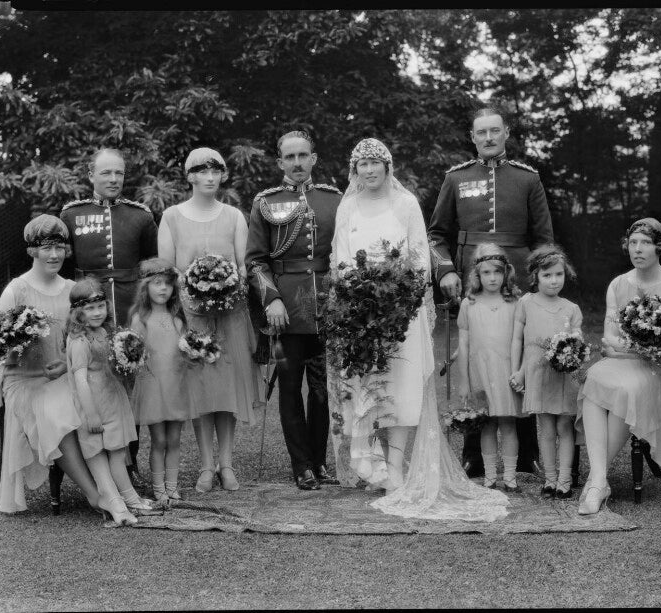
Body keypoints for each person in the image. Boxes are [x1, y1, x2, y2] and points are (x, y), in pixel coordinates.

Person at [329, 137, 509, 521]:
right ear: (354, 170)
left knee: (402, 388)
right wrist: (358, 299)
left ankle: (394, 467)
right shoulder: (347, 207)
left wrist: (396, 298)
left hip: (400, 312)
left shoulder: (406, 204)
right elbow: (341, 257)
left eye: (377, 163)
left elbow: (418, 258)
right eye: (363, 164)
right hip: (361, 313)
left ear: (388, 166)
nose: (370, 170)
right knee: (364, 384)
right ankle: (366, 459)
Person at [428, 105, 553, 478]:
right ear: (472, 137)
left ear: (506, 133)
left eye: (494, 131)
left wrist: (538, 286)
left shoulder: (527, 179)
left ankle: (528, 450)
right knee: (478, 359)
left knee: (520, 358)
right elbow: (436, 236)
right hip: (473, 282)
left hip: (516, 287)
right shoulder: (456, 178)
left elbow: (544, 241)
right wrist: (447, 271)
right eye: (481, 132)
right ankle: (473, 454)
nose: (488, 138)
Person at [159, 147, 262, 493]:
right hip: (193, 316)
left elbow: (244, 264)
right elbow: (167, 269)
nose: (209, 177)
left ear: (222, 176)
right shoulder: (171, 216)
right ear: (189, 176)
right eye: (201, 171)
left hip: (230, 315)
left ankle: (227, 463)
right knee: (202, 390)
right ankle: (206, 465)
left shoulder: (234, 216)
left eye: (215, 171)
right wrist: (195, 291)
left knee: (227, 390)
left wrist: (227, 286)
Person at [0, 215, 111, 517]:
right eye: (46, 247)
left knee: (97, 396)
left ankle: (114, 485)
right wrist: (18, 352)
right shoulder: (16, 290)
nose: (54, 254)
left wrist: (66, 366)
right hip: (24, 380)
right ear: (33, 250)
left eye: (60, 247)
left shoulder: (72, 289)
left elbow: (79, 340)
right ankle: (94, 493)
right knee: (57, 408)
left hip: (64, 374)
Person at [245, 130, 342, 491]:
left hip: (327, 308)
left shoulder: (334, 199)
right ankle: (300, 464)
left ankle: (319, 461)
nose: (297, 163)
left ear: (314, 158)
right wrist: (271, 298)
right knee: (290, 389)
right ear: (280, 162)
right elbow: (255, 261)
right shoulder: (266, 202)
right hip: (284, 310)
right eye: (290, 157)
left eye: (303, 156)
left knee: (322, 390)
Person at [576, 218, 661, 515]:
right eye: (633, 242)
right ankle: (600, 479)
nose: (637, 249)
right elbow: (610, 336)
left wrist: (638, 346)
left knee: (626, 388)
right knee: (594, 379)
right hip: (621, 363)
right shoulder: (618, 284)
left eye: (646, 243)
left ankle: (596, 481)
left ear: (659, 247)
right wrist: (628, 346)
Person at [60, 147, 158, 483]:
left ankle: (129, 465)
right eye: (106, 173)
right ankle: (96, 465)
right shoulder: (71, 214)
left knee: (130, 388)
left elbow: (149, 266)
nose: (114, 179)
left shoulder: (141, 216)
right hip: (88, 314)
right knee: (89, 384)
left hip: (129, 310)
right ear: (91, 175)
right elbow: (64, 268)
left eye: (118, 173)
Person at [66, 277, 150, 524]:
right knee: (99, 452)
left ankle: (130, 498)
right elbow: (80, 380)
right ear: (77, 312)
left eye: (100, 306)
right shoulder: (79, 341)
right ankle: (115, 503)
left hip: (113, 399)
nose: (96, 313)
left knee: (117, 452)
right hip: (94, 402)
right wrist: (90, 414)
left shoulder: (105, 332)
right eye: (89, 308)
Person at [510, 245, 583, 499]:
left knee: (564, 426)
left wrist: (572, 352)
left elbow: (577, 345)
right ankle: (549, 479)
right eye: (547, 275)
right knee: (546, 428)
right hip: (538, 375)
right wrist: (519, 372)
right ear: (535, 277)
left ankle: (564, 479)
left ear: (566, 275)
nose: (554, 281)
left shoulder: (571, 308)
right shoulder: (526, 303)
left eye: (558, 275)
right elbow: (519, 341)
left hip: (562, 377)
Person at [128, 258, 198, 503]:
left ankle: (172, 485)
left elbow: (184, 351)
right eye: (156, 283)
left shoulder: (178, 319)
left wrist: (195, 354)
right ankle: (158, 487)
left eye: (167, 284)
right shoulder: (140, 320)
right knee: (158, 440)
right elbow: (133, 355)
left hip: (176, 386)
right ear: (146, 287)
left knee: (175, 439)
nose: (162, 289)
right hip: (153, 387)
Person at [456, 243, 524, 491]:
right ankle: (490, 475)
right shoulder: (469, 304)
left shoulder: (515, 302)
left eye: (497, 271)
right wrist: (463, 381)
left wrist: (518, 372)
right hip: (480, 371)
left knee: (507, 424)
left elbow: (520, 339)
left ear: (506, 272)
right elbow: (463, 344)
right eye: (486, 272)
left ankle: (510, 476)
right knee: (486, 425)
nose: (493, 277)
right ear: (477, 275)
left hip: (505, 371)